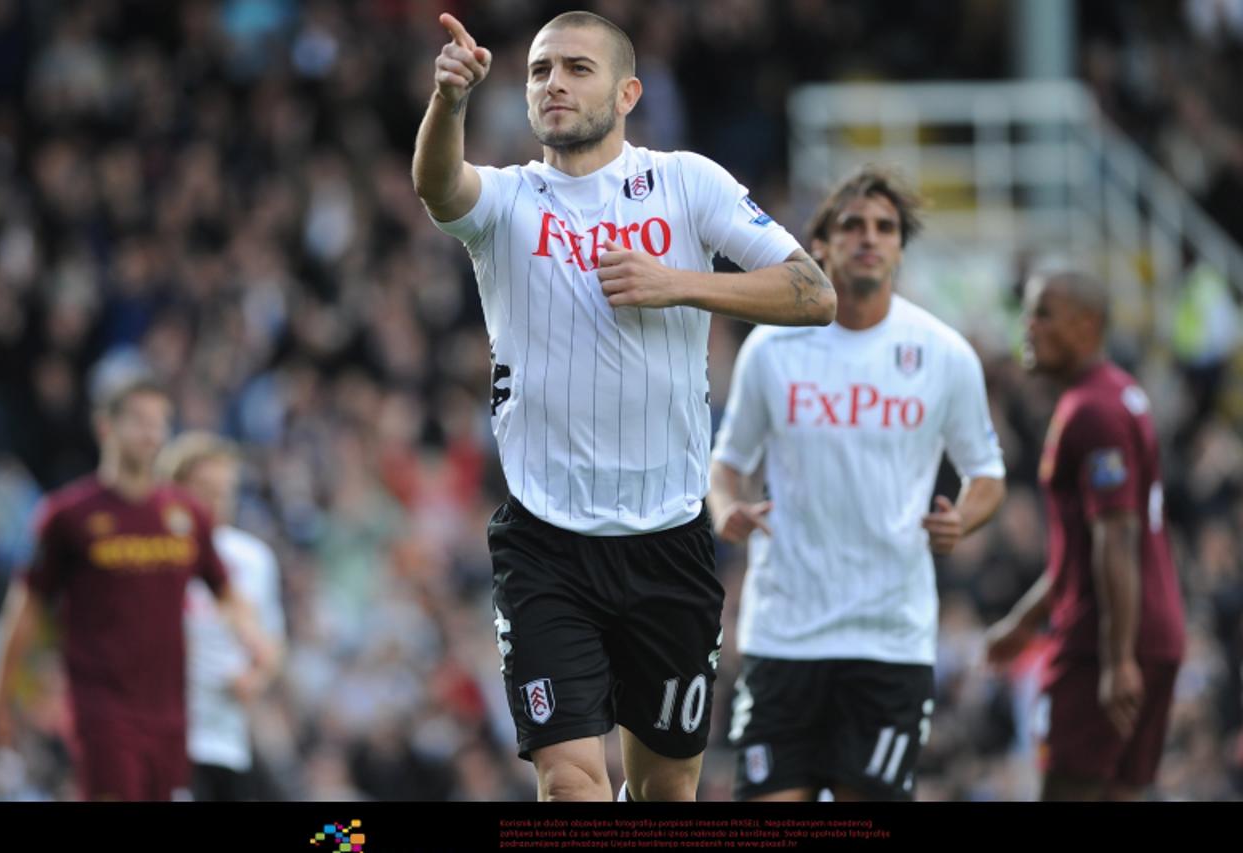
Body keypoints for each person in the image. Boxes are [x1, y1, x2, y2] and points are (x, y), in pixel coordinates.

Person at [411, 10, 836, 802]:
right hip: (545, 544)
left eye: (577, 68)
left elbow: (815, 291)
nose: (554, 84)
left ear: (628, 90)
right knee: (572, 785)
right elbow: (438, 184)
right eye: (540, 71)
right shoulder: (507, 201)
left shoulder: (687, 182)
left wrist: (679, 281)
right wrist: (451, 103)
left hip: (668, 540)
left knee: (666, 793)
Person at [709, 166, 1007, 801]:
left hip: (889, 637)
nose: (869, 238)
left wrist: (965, 519)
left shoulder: (943, 353)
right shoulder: (773, 348)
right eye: (852, 226)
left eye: (885, 227)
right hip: (783, 632)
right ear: (819, 245)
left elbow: (988, 472)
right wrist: (726, 506)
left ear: (900, 246)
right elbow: (725, 462)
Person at [0, 378, 277, 801]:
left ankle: (349, 840)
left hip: (175, 716)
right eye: (139, 421)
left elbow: (226, 592)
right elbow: (24, 611)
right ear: (105, 428)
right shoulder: (68, 517)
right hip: (104, 711)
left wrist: (255, 644)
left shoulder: (186, 517)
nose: (151, 433)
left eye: (160, 423)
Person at [985, 270, 1185, 801]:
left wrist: (1117, 660)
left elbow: (1115, 539)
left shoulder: (1090, 411)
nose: (1029, 326)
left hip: (1105, 641)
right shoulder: (1121, 393)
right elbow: (1085, 548)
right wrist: (1025, 621)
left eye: (1044, 313)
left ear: (1087, 324)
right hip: (1154, 632)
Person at [158, 432, 287, 802]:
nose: (218, 502)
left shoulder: (252, 559)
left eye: (227, 490)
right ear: (175, 490)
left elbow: (273, 646)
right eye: (206, 490)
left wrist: (256, 677)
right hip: (173, 739)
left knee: (339, 836)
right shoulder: (154, 557)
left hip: (230, 738)